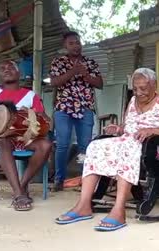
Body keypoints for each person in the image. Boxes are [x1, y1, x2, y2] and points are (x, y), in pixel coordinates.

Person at [55, 68, 159, 231]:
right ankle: (83, 205)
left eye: (143, 88)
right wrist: (119, 129)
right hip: (131, 142)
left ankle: (118, 209)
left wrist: (152, 130)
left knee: (128, 146)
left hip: (158, 146)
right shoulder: (133, 101)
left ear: (154, 85)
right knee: (95, 146)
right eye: (135, 89)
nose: (138, 93)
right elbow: (128, 127)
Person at [0, 60, 52, 211]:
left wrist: (39, 117)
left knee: (45, 145)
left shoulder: (30, 95)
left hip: (24, 136)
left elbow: (42, 117)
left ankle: (21, 185)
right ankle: (19, 194)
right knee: (3, 142)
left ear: (19, 72)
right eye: (2, 68)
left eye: (11, 67)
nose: (6, 70)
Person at [49, 31, 104, 192]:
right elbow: (54, 82)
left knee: (85, 146)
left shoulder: (90, 62)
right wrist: (73, 72)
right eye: (71, 43)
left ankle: (84, 180)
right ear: (65, 46)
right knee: (62, 145)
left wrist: (85, 73)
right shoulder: (58, 62)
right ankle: (59, 180)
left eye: (78, 42)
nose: (76, 46)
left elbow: (99, 83)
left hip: (85, 107)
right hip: (64, 108)